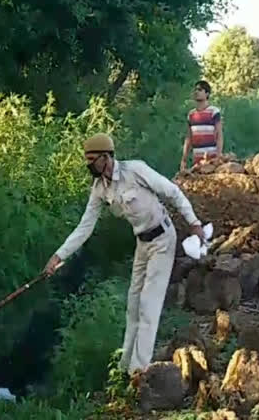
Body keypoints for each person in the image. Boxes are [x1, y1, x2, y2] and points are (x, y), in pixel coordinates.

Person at [43, 133, 206, 375]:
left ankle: (138, 372)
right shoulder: (99, 189)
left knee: (148, 305)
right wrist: (58, 256)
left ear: (106, 157)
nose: (88, 165)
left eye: (92, 160)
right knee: (133, 304)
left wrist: (194, 223)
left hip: (163, 238)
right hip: (142, 244)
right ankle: (124, 367)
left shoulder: (135, 170)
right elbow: (85, 226)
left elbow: (172, 192)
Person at [180, 80, 223, 173]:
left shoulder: (214, 111)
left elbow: (219, 135)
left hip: (211, 161)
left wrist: (218, 157)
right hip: (197, 161)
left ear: (207, 94)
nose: (196, 92)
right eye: (195, 90)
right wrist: (184, 159)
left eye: (200, 90)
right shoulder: (191, 114)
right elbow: (189, 138)